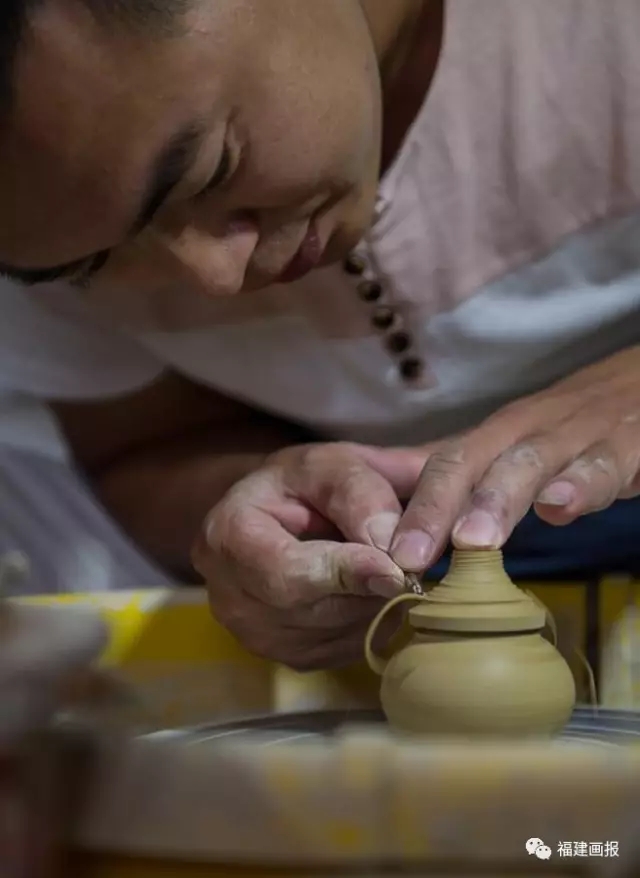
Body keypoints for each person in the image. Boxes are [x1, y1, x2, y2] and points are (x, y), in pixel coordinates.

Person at [0, 0, 639, 668]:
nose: (217, 276)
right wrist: (261, 516)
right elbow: (144, 446)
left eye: (211, 169)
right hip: (440, 569)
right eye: (94, 264)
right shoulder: (33, 217)